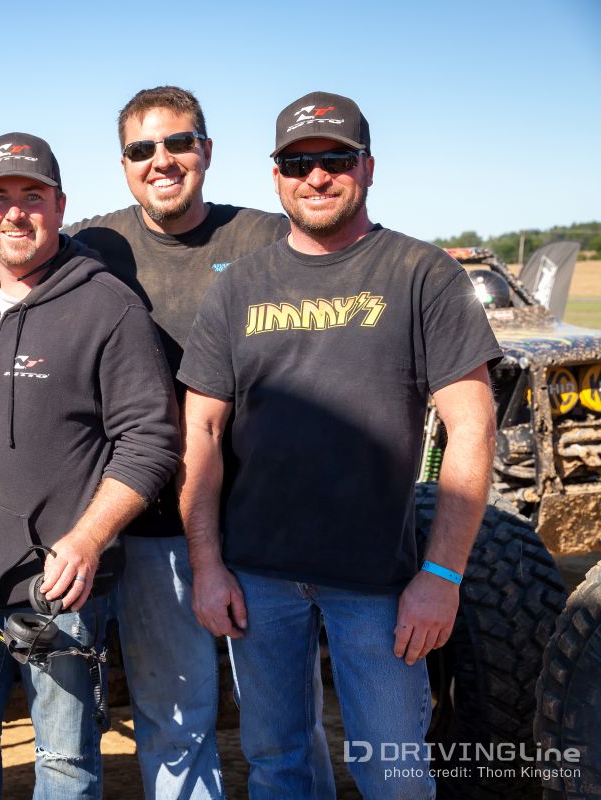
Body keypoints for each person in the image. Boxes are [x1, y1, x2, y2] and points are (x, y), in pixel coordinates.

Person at [176, 91, 500, 799]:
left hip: (379, 585)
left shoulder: (420, 274)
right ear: (276, 177)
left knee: (393, 774)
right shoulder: (237, 289)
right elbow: (201, 431)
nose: (316, 176)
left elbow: (472, 426)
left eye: (335, 159)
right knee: (278, 765)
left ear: (368, 167)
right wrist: (207, 565)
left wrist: (442, 576)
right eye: (297, 163)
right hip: (256, 581)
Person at [0, 133, 180, 800]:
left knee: (63, 759)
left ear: (60, 205)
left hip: (58, 589)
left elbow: (151, 441)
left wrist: (87, 539)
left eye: (32, 196)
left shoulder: (108, 306)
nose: (15, 213)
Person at [66, 85, 288, 800]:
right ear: (124, 164)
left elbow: (358, 263)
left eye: (178, 142)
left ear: (206, 150)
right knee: (177, 724)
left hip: (260, 528)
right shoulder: (94, 246)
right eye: (142, 149)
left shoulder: (263, 239)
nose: (161, 160)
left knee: (282, 726)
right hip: (154, 526)